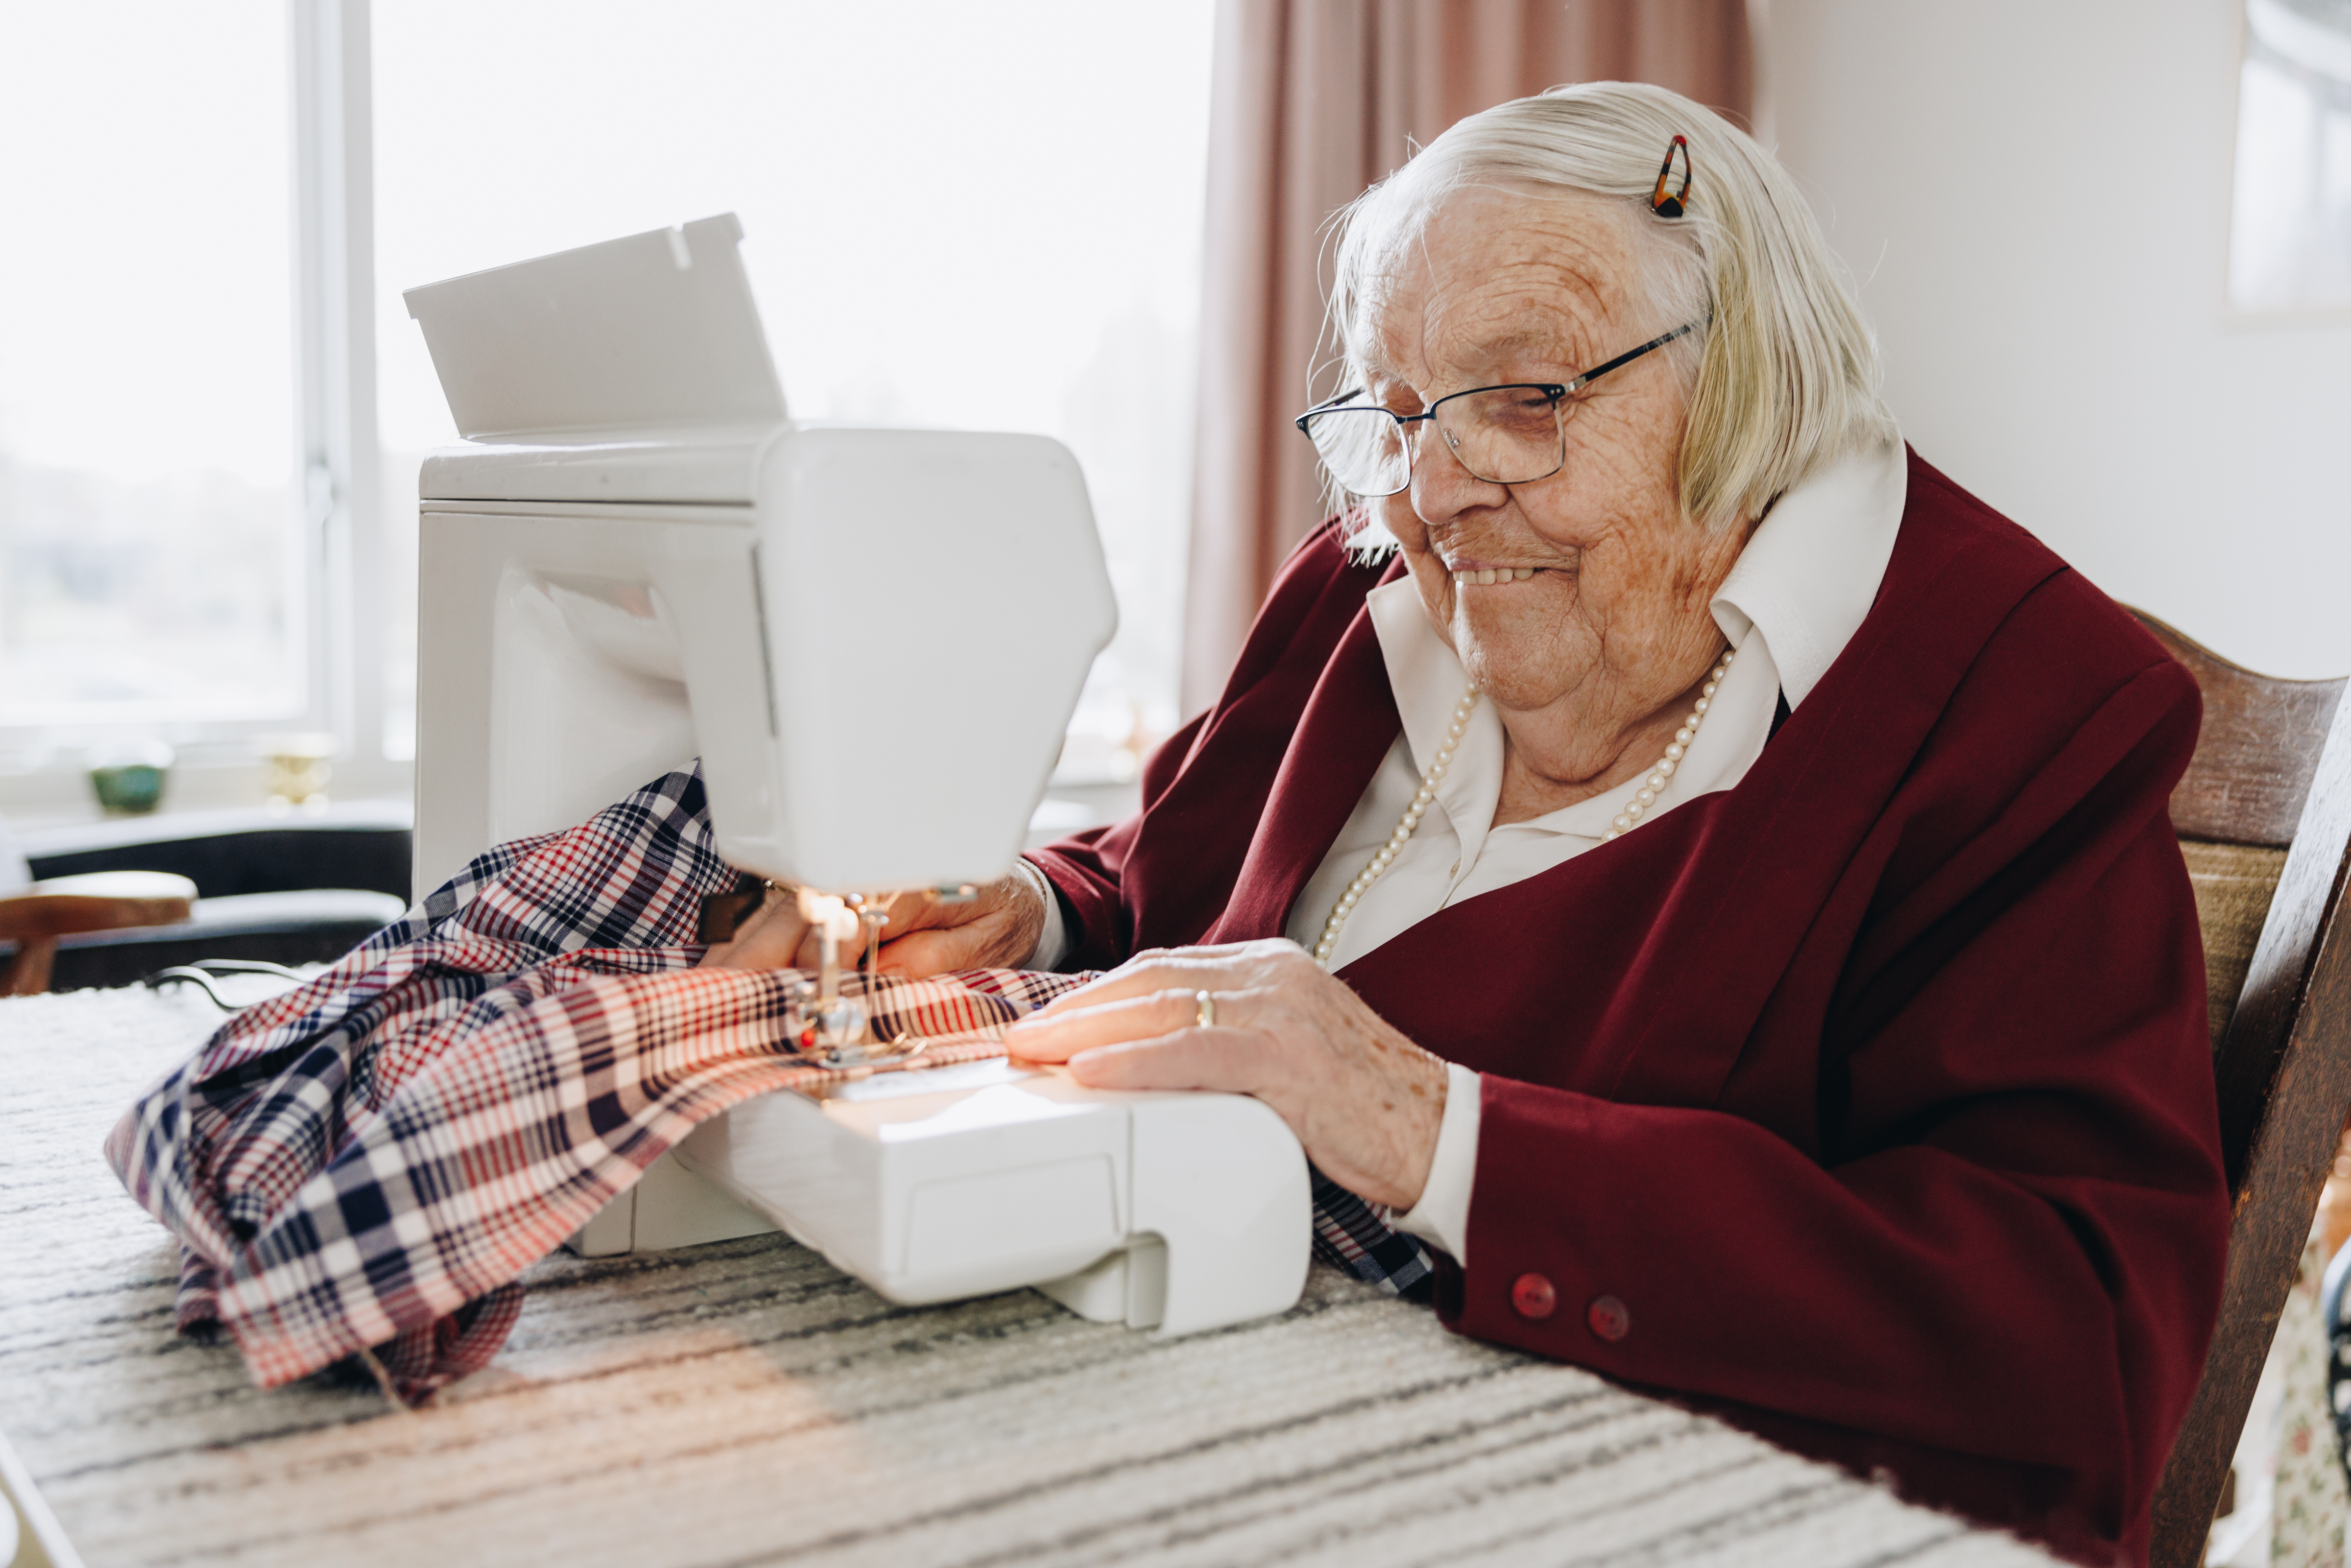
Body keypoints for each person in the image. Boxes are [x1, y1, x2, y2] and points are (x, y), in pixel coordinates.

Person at [708, 81, 2226, 1565]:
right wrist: (1024, 910)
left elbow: (2079, 1340)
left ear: (1745, 376)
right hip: (1183, 1405)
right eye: (1402, 407)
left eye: (1526, 398)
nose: (1432, 489)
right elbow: (1165, 878)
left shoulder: (2016, 708)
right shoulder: (1359, 597)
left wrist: (1429, 1129)